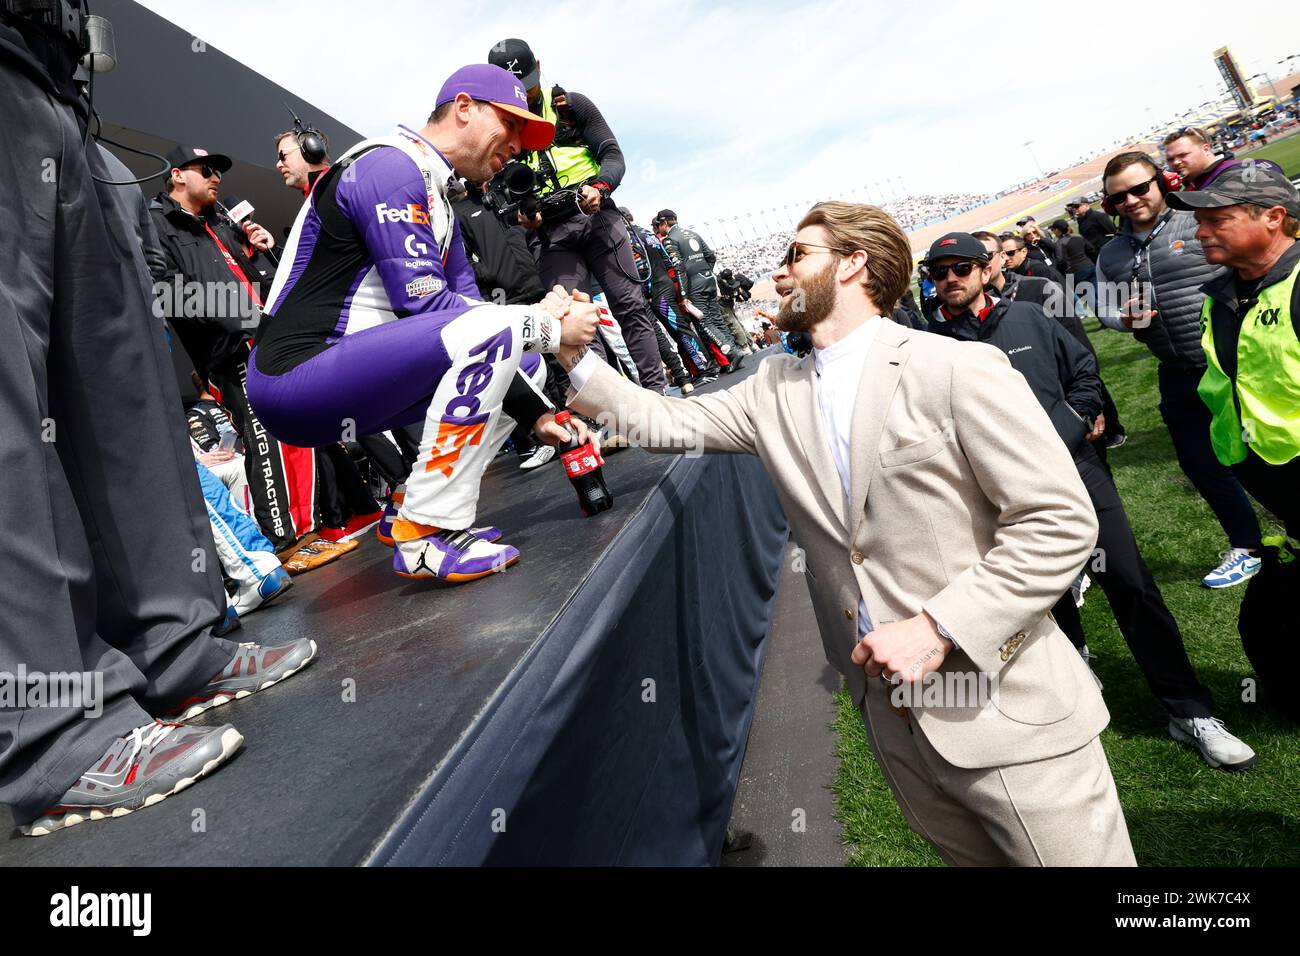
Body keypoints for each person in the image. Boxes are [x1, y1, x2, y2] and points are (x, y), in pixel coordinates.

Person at [556, 202, 1135, 866]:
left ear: (857, 263)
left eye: (797, 255)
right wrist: (572, 354)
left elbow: (1057, 522)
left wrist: (939, 626)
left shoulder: (952, 368)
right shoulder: (772, 386)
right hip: (898, 728)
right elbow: (663, 422)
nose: (779, 274)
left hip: (1006, 714)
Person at [0, 2, 314, 836]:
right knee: (12, 407)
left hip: (54, 80)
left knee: (122, 388)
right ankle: (51, 733)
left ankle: (173, 646)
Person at [247, 64, 600, 583]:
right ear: (464, 108)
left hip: (348, 378)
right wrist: (546, 324)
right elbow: (430, 309)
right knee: (513, 332)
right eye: (513, 126)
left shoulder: (441, 200)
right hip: (292, 381)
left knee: (524, 361)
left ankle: (408, 505)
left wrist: (538, 417)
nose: (520, 147)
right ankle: (424, 532)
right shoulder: (389, 165)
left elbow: (472, 319)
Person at [925, 233, 1256, 771]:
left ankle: (1188, 710)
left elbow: (1083, 373)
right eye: (939, 272)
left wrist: (1076, 423)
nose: (950, 279)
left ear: (987, 269)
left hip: (1077, 473)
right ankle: (1075, 679)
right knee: (1040, 600)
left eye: (961, 267)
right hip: (1003, 494)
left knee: (1131, 584)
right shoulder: (933, 348)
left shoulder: (1031, 317)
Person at [1094, 151, 1263, 588]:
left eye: (1139, 188)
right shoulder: (1112, 252)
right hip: (1174, 370)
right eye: (1118, 198)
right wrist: (1123, 320)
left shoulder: (1198, 220)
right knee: (1201, 463)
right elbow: (1103, 306)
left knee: (1267, 455)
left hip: (1233, 363)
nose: (1130, 201)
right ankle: (1248, 546)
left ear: (1161, 182)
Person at [150, 144, 322, 553]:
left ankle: (313, 530)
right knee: (262, 439)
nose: (216, 178)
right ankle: (286, 542)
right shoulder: (155, 223)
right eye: (206, 170)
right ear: (177, 174)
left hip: (265, 337)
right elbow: (169, 291)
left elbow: (254, 279)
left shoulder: (220, 221)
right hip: (228, 351)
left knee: (298, 433)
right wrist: (246, 319)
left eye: (218, 171)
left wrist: (263, 253)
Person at [487, 38, 666, 393]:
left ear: (538, 65)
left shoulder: (572, 105)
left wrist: (601, 187)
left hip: (596, 215)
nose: (527, 94)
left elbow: (612, 153)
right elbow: (498, 194)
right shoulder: (499, 128)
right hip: (551, 236)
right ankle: (613, 409)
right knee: (574, 322)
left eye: (529, 85)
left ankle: (658, 394)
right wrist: (523, 219)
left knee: (629, 305)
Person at [1166, 162, 1300, 537]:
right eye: (1199, 221)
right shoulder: (1220, 295)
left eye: (1217, 220)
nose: (1200, 233)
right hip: (1262, 471)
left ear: (1273, 217)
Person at [974, 231, 1126, 449]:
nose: (981, 265)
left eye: (986, 256)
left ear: (1001, 257)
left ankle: (1113, 431)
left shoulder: (1038, 285)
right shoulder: (975, 307)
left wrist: (1092, 403)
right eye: (973, 261)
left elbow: (1077, 343)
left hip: (1066, 392)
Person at [655, 209, 750, 370]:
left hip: (695, 285)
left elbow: (679, 268)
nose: (659, 229)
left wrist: (684, 294)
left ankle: (732, 352)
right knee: (717, 319)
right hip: (709, 280)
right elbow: (711, 256)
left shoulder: (670, 240)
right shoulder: (693, 233)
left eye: (659, 225)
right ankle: (735, 351)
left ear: (664, 223)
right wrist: (704, 271)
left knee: (704, 322)